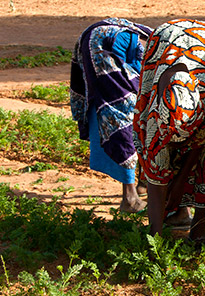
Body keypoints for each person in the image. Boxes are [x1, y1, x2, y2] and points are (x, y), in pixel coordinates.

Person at [132, 19, 205, 242]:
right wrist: (154, 240)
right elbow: (156, 185)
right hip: (166, 38)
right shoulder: (155, 120)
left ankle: (199, 224)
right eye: (173, 142)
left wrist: (178, 186)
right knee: (157, 161)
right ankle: (173, 220)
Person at [70, 18, 151, 213]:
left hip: (99, 44)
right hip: (108, 51)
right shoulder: (143, 46)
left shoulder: (149, 42)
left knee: (134, 116)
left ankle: (141, 184)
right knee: (125, 122)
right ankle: (130, 197)